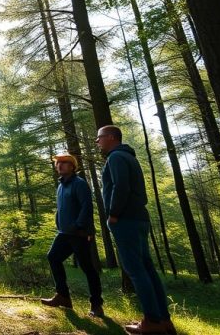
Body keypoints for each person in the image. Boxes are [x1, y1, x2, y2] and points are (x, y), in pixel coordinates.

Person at [96, 125, 176, 335]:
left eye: (100, 138)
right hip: (139, 219)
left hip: (126, 220)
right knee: (147, 268)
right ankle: (164, 320)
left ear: (111, 138)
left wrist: (113, 214)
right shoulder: (128, 157)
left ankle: (151, 321)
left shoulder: (116, 158)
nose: (97, 142)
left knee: (136, 271)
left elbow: (121, 186)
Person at [40, 153, 104, 318]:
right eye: (57, 163)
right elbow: (61, 209)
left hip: (79, 234)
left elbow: (86, 207)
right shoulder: (61, 186)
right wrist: (59, 224)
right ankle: (63, 297)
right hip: (64, 233)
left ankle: (97, 305)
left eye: (64, 163)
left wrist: (79, 226)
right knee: (53, 257)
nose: (59, 165)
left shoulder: (79, 184)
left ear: (72, 166)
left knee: (87, 268)